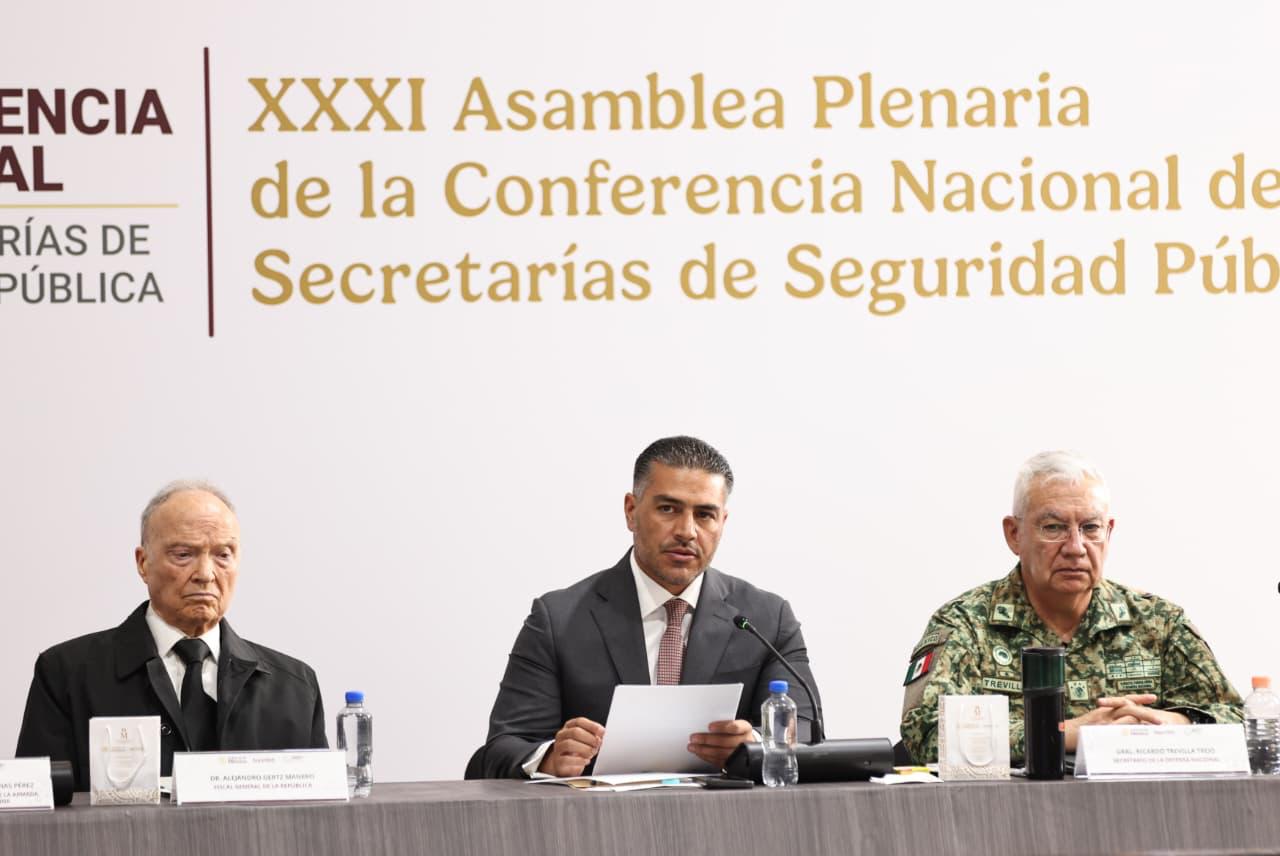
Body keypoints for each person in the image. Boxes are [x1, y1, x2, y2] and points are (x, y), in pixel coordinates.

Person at [467, 436, 821, 779]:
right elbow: (499, 751)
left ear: (722, 523)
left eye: (704, 515)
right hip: (597, 817)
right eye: (668, 509)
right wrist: (549, 758)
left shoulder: (765, 620)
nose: (687, 531)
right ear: (631, 511)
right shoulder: (558, 620)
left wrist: (756, 745)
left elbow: (808, 734)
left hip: (724, 816)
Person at [899, 451, 1243, 764]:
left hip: (1138, 807)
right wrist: (1063, 733)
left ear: (1108, 532)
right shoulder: (966, 624)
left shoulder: (1158, 624)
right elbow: (926, 732)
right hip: (1008, 809)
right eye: (1054, 528)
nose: (1076, 547)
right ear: (1014, 534)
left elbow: (1242, 721)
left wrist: (1174, 724)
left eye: (1090, 528)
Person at [15, 481, 327, 790]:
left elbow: (321, 812)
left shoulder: (295, 688)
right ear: (143, 563)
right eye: (183, 554)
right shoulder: (67, 675)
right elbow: (37, 808)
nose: (205, 574)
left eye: (223, 555)